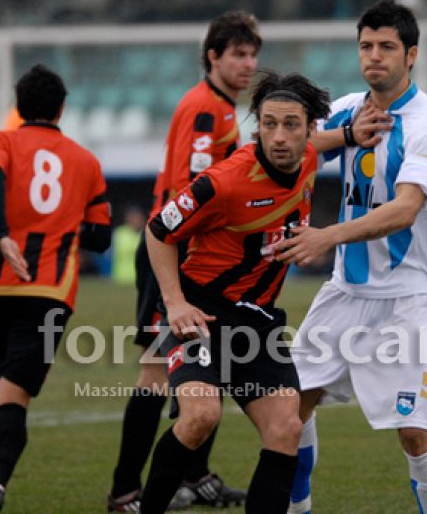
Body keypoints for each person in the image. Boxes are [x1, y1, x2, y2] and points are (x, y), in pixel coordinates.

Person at [278, 0, 427, 514]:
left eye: (386, 47)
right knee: (288, 410)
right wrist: (348, 133)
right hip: (347, 291)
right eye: (366, 46)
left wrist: (326, 236)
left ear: (411, 54)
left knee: (414, 432)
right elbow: (290, 148)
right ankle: (299, 507)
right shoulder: (352, 108)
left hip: (411, 296)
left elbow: (405, 209)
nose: (374, 56)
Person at [139, 72, 331, 514]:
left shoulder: (308, 159)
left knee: (286, 427)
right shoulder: (223, 182)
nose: (278, 137)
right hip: (201, 313)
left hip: (257, 319)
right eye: (268, 124)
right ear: (256, 125)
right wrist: (174, 303)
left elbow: (325, 143)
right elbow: (158, 230)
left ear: (309, 131)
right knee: (201, 417)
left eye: (290, 125)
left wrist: (354, 133)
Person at [107, 10, 261, 512]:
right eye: (238, 53)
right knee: (156, 372)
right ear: (213, 56)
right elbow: (196, 189)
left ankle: (193, 477)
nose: (248, 63)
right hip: (173, 255)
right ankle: (126, 489)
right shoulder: (205, 110)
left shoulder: (216, 108)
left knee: (207, 366)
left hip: (198, 260)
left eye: (252, 53)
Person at [0, 64, 112, 514]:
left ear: (19, 107)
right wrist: (64, 230)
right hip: (50, 290)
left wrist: (5, 231)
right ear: (61, 109)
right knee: (16, 389)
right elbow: (101, 237)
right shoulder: (86, 161)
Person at [111, 206, 146, 285]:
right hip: (121, 277)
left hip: (139, 279)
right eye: (134, 217)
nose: (136, 220)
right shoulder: (120, 233)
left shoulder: (145, 233)